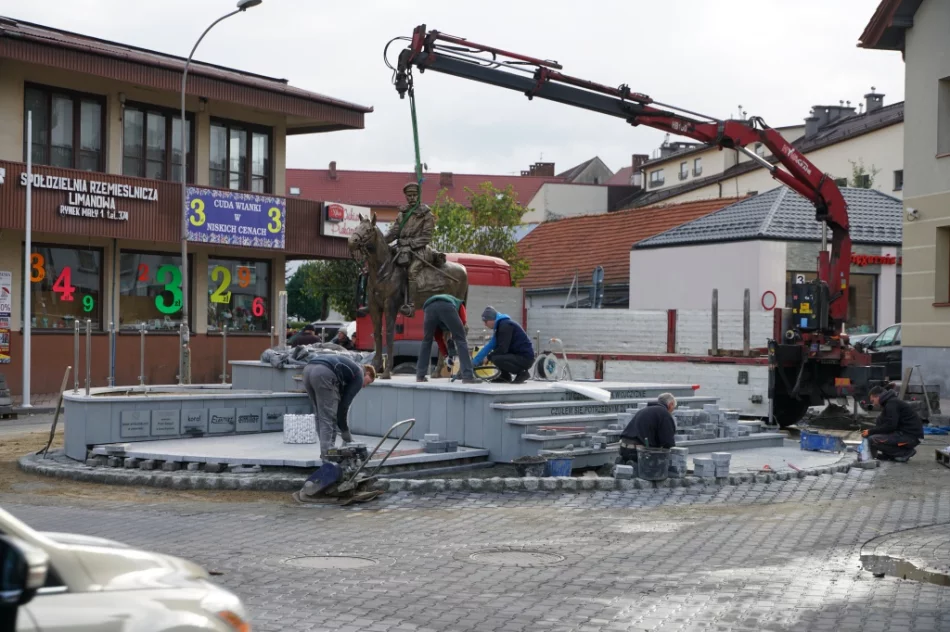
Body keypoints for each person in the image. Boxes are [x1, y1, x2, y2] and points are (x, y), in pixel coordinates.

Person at [383, 181, 444, 317]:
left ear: (419, 196)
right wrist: (381, 241)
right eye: (409, 195)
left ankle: (410, 305)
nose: (412, 198)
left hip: (420, 251)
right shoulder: (402, 214)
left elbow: (426, 237)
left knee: (411, 271)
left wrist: (410, 243)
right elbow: (394, 232)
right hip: (402, 250)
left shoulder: (426, 214)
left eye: (414, 195)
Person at [303, 354, 376, 457]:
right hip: (324, 372)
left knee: (320, 414)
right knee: (328, 417)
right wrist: (345, 432)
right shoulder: (359, 374)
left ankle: (326, 451)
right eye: (368, 382)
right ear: (367, 373)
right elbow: (343, 407)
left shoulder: (350, 368)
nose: (364, 386)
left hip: (308, 370)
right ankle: (329, 455)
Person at [416, 294, 476, 384]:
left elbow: (439, 340)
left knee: (426, 341)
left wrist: (446, 356)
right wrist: (454, 334)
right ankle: (467, 376)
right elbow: (462, 323)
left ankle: (420, 376)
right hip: (447, 306)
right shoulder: (460, 304)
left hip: (429, 308)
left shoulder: (438, 325)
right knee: (461, 339)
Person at [472, 306, 535, 384]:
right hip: (519, 356)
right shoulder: (501, 325)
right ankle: (505, 376)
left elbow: (502, 349)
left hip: (525, 358)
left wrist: (489, 357)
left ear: (492, 319)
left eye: (486, 321)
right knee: (495, 355)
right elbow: (490, 346)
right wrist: (474, 362)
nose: (485, 324)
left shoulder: (505, 326)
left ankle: (522, 373)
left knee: (495, 357)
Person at [862, 385, 924, 462]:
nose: (873, 404)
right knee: (878, 424)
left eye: (873, 401)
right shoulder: (889, 403)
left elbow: (891, 426)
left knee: (873, 439)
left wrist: (870, 432)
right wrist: (871, 431)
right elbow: (883, 423)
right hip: (904, 434)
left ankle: (904, 453)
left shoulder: (892, 404)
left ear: (878, 397)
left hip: (910, 437)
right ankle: (888, 455)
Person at [618, 393, 677, 464]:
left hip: (623, 448)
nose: (672, 412)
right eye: (673, 408)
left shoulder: (644, 410)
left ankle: (627, 463)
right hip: (638, 452)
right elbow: (668, 442)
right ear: (671, 404)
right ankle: (637, 466)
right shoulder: (664, 413)